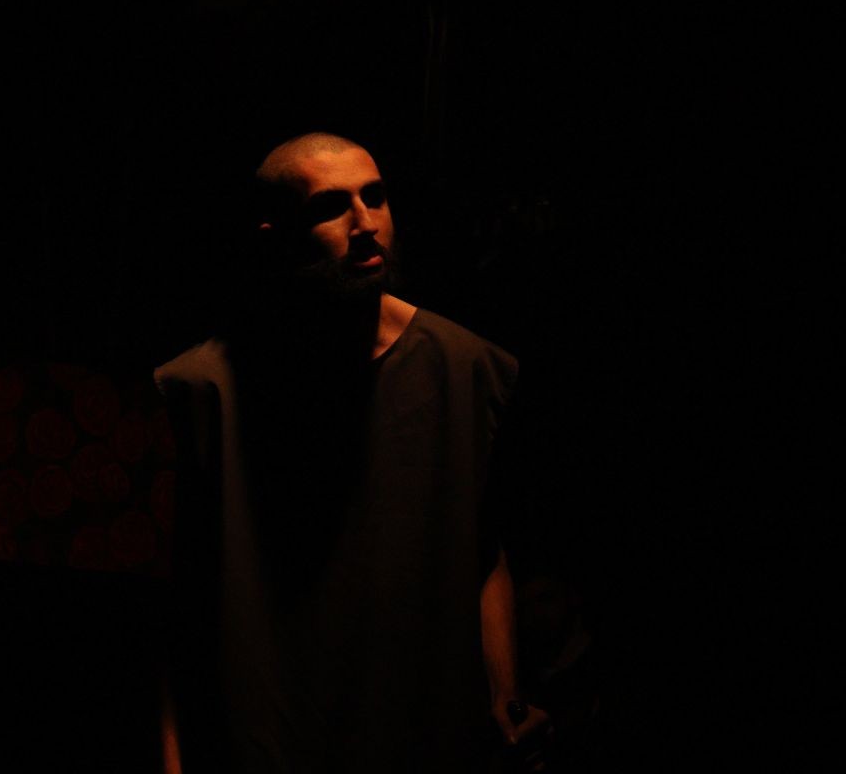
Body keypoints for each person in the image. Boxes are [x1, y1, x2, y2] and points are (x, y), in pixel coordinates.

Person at [154, 132, 550, 773]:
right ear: (274, 234)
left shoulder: (464, 369)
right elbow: (178, 603)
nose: (366, 224)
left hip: (420, 736)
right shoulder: (202, 390)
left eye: (376, 197)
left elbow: (483, 545)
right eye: (331, 207)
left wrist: (504, 694)